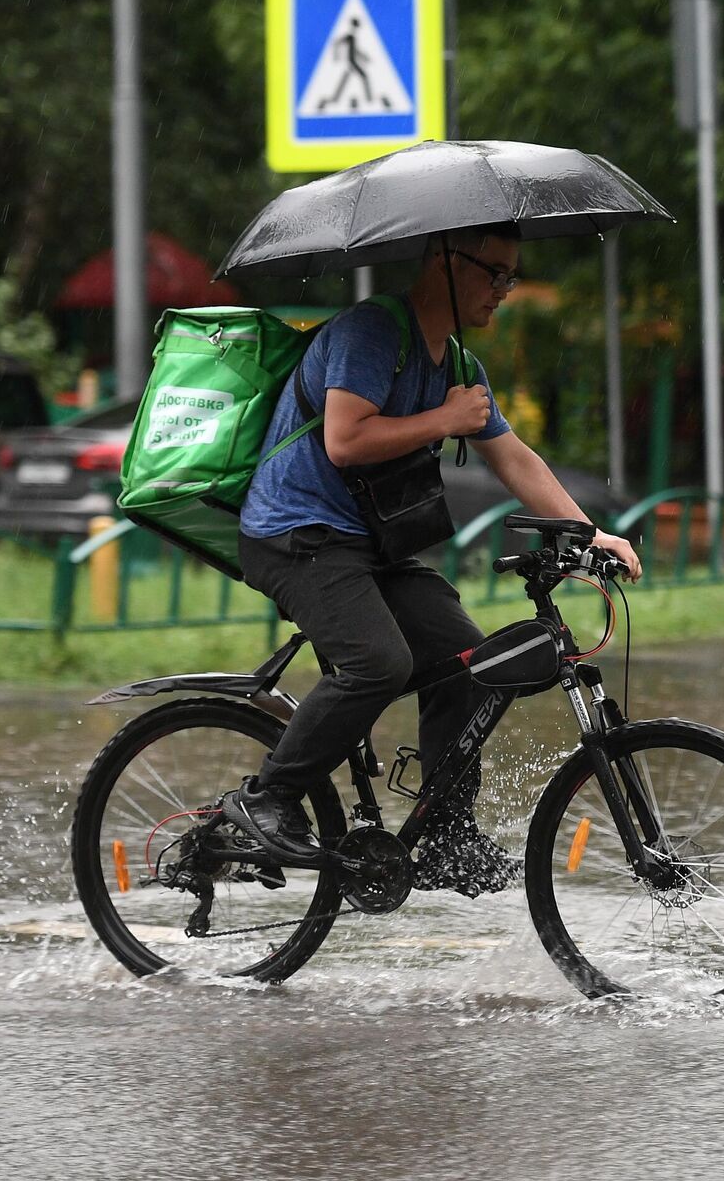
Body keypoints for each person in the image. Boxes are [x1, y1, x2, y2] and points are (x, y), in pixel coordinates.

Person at [225, 222, 642, 895]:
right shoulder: (371, 332)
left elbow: (514, 458)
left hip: (368, 545)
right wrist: (444, 421)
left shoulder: (457, 366)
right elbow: (345, 440)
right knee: (377, 662)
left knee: (471, 665)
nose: (505, 290)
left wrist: (589, 534)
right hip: (295, 533)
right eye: (495, 272)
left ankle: (447, 836)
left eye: (512, 275)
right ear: (445, 262)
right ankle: (267, 797)